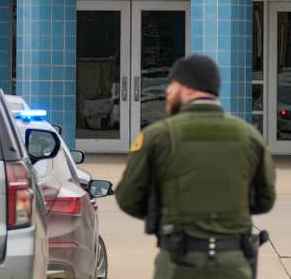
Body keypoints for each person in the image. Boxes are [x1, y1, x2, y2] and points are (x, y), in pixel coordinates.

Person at [116, 55, 276, 279]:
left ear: (187, 88)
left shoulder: (158, 136)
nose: (167, 93)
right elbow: (264, 200)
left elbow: (128, 198)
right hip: (234, 263)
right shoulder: (250, 136)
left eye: (172, 85)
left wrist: (164, 213)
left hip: (178, 262)